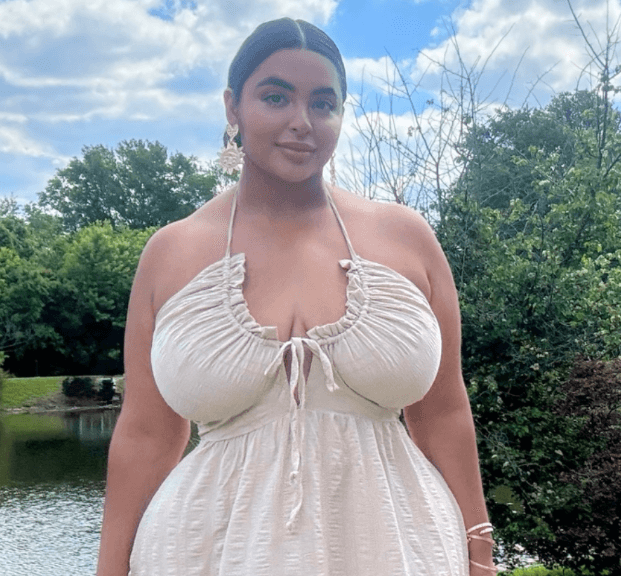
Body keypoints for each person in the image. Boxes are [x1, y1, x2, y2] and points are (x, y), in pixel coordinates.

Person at [96, 17, 496, 576]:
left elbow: (444, 411)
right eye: (276, 97)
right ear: (233, 108)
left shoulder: (407, 238)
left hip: (399, 549)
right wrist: (109, 569)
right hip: (206, 553)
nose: (301, 122)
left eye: (323, 103)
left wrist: (480, 550)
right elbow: (146, 434)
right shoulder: (171, 253)